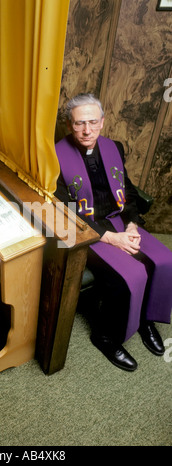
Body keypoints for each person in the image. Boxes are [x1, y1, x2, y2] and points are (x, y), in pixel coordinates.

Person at [55, 93, 172, 371]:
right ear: (69, 124)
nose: (87, 130)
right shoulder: (55, 156)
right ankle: (105, 336)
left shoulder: (113, 148)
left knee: (165, 260)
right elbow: (63, 209)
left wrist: (131, 224)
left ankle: (145, 319)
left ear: (102, 122)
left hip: (119, 220)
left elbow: (127, 191)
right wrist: (111, 238)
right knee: (131, 274)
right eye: (80, 123)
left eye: (93, 122)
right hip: (85, 230)